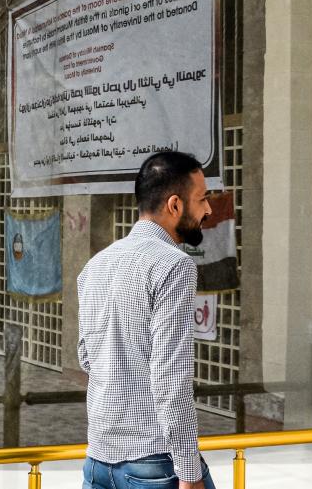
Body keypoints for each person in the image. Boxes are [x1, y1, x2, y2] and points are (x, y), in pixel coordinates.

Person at [78, 151, 217, 489]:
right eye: (202, 199)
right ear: (174, 205)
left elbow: (86, 357)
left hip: (97, 461)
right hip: (153, 465)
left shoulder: (96, 265)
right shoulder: (174, 265)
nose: (208, 210)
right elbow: (172, 377)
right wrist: (188, 473)